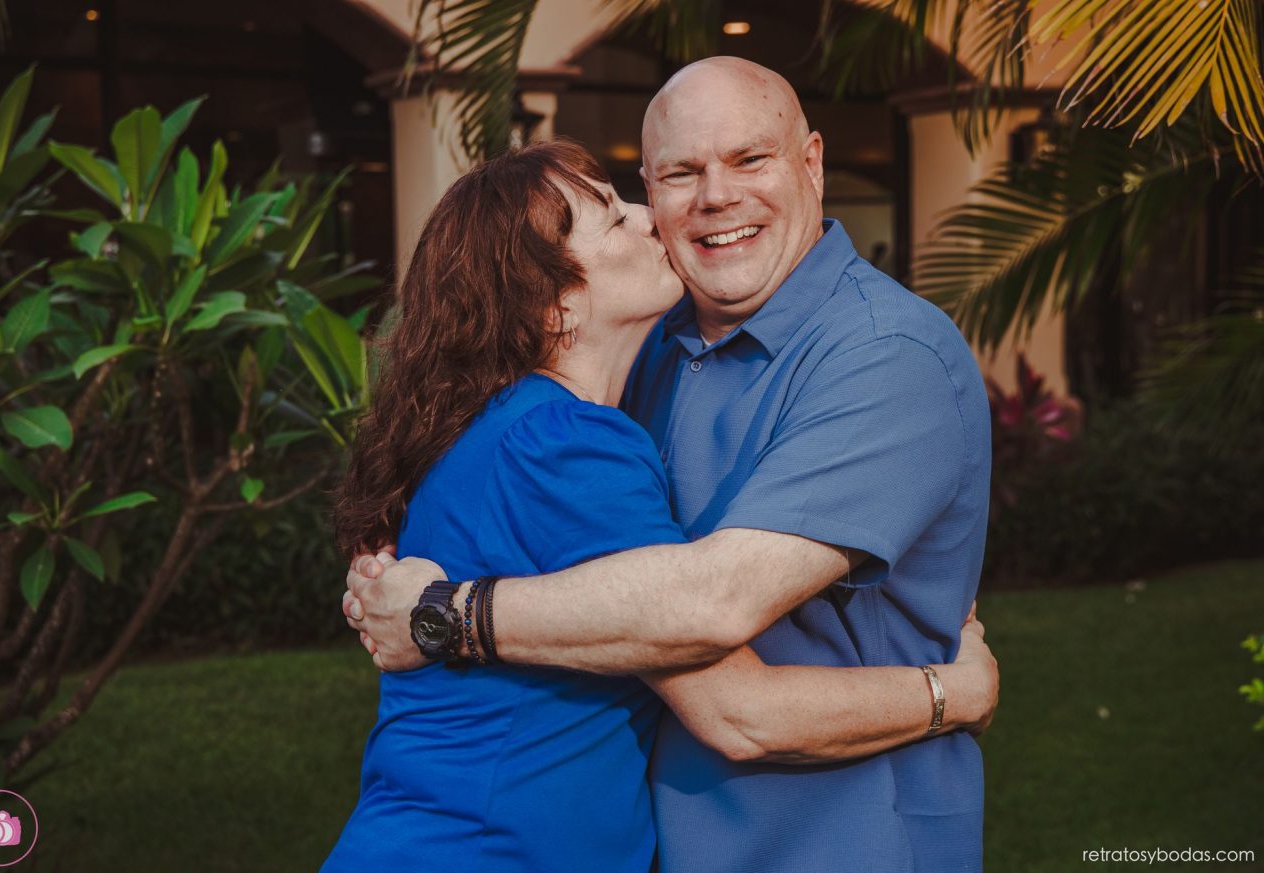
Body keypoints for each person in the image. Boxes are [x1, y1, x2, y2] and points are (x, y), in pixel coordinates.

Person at [345, 56, 996, 873]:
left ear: (812, 163)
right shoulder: (626, 368)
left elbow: (718, 622)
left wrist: (447, 612)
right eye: (678, 176)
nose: (712, 197)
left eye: (750, 158)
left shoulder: (887, 354)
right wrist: (953, 690)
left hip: (841, 841)